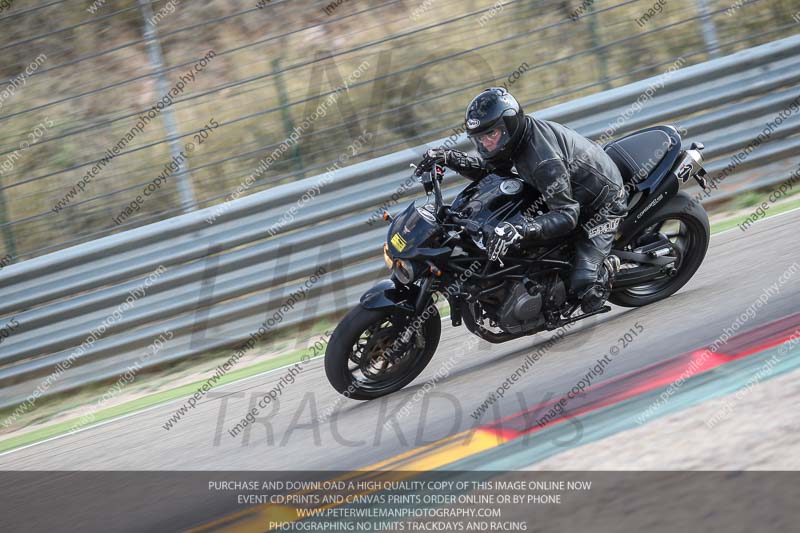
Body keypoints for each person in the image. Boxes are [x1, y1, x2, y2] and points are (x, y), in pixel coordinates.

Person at [414, 87, 628, 314]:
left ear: (509, 124)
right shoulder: (515, 141)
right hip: (563, 194)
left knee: (585, 288)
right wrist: (449, 158)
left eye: (491, 135)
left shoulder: (543, 161)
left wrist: (519, 229)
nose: (486, 143)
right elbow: (490, 170)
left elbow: (567, 215)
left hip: (600, 206)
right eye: (480, 138)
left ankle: (607, 266)